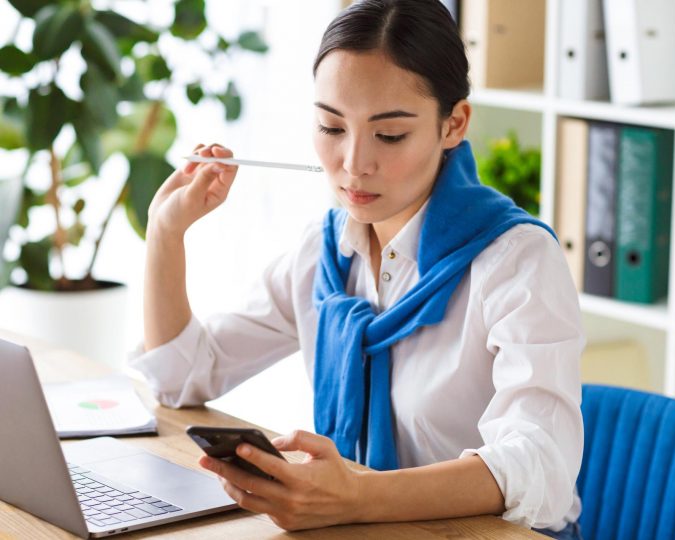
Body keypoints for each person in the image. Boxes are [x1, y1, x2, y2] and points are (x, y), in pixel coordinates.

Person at [132, 0, 585, 538]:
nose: (352, 163)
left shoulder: (517, 262)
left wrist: (354, 496)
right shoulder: (324, 255)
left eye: (388, 135)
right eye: (331, 126)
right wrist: (164, 234)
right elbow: (182, 377)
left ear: (453, 124)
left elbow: (540, 466)